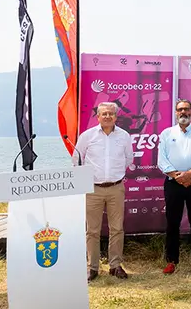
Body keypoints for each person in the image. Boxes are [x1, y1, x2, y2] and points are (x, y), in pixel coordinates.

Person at [77, 101, 134, 282]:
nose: (108, 116)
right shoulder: (87, 136)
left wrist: (114, 175)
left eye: (111, 113)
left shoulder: (124, 136)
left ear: (116, 116)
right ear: (98, 117)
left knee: (117, 228)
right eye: (104, 114)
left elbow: (128, 159)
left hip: (116, 188)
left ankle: (115, 265)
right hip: (92, 189)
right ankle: (92, 267)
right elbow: (77, 159)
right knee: (92, 230)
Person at [158, 99, 191, 274]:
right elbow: (162, 160)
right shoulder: (166, 133)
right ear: (175, 112)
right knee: (172, 222)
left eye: (186, 109)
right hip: (173, 183)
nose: (183, 113)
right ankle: (171, 261)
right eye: (180, 110)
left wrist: (189, 174)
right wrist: (178, 176)